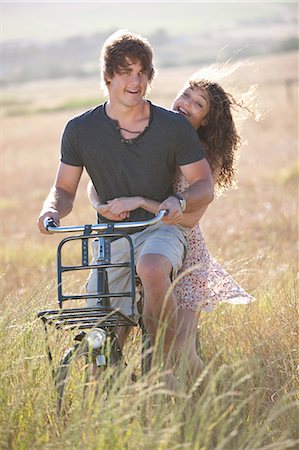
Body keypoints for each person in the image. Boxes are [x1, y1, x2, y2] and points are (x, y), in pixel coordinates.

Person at [37, 30, 214, 374]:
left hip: (158, 226)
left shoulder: (173, 126)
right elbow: (64, 189)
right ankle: (111, 388)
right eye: (126, 71)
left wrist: (179, 200)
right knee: (103, 325)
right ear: (107, 76)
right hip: (112, 235)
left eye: (143, 72)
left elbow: (203, 185)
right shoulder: (79, 130)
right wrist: (50, 210)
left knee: (151, 266)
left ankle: (164, 369)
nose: (137, 80)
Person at [88, 67, 255, 385]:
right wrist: (101, 204)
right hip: (140, 239)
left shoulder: (206, 157)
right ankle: (115, 393)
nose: (186, 103)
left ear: (205, 120)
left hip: (184, 252)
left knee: (180, 349)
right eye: (186, 95)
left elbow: (190, 218)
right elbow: (103, 174)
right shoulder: (153, 130)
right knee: (115, 333)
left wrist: (140, 201)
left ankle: (212, 401)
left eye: (198, 104)